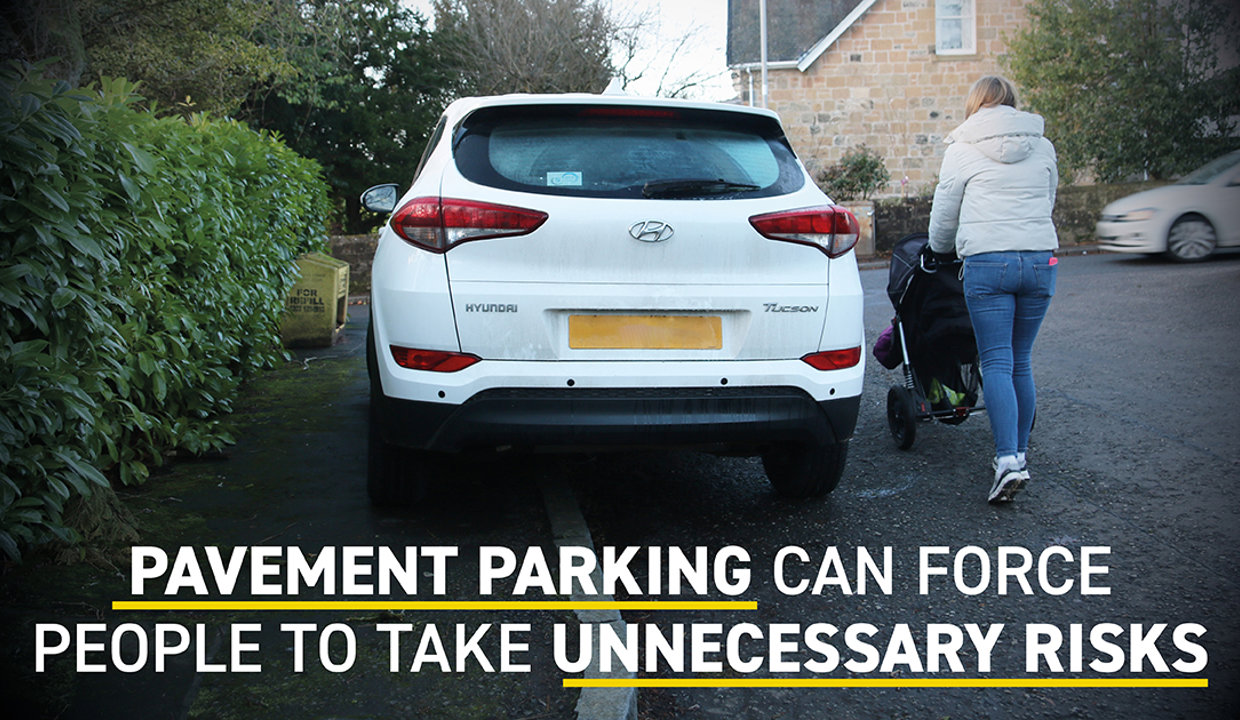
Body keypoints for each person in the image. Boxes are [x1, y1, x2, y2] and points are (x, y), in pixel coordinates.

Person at [927, 75, 1059, 504]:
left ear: (975, 105)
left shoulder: (962, 148)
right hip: (1041, 260)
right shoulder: (1043, 145)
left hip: (988, 262)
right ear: (1012, 103)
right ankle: (1018, 455)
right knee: (1021, 360)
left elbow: (946, 210)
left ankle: (1007, 462)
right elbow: (1048, 198)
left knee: (996, 361)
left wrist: (937, 250)